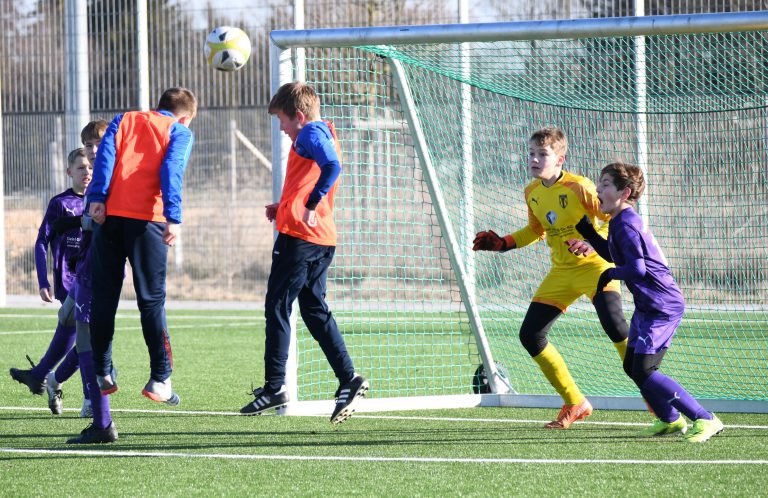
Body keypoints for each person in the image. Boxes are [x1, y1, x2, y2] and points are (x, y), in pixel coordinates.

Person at [472, 126, 629, 429]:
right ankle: (574, 402)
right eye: (531, 153)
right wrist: (503, 243)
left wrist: (591, 242)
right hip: (561, 272)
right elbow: (536, 230)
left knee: (615, 325)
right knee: (530, 335)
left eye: (542, 154)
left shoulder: (580, 186)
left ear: (560, 158)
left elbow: (613, 217)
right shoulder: (531, 192)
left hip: (595, 266)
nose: (534, 159)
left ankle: (651, 391)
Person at [239, 81, 368, 424]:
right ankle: (349, 379)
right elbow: (312, 176)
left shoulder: (309, 132)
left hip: (300, 238)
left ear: (298, 115)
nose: (281, 129)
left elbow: (332, 166)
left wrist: (309, 204)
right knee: (314, 310)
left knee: (278, 305)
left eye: (282, 120)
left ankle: (275, 386)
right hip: (321, 238)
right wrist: (283, 205)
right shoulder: (320, 131)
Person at [571, 162, 723, 442]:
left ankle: (705, 418)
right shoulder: (619, 221)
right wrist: (590, 234)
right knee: (632, 367)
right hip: (648, 305)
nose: (597, 189)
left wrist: (610, 273)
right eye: (599, 183)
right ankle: (670, 420)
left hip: (662, 306)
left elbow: (637, 269)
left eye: (605, 184)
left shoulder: (627, 224)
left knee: (644, 369)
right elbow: (617, 255)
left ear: (625, 192)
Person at [86, 87, 197, 406]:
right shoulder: (178, 131)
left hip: (109, 218)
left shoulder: (124, 119)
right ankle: (161, 378)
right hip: (148, 219)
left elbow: (105, 159)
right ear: (186, 117)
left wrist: (96, 199)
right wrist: (173, 217)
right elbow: (171, 171)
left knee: (104, 296)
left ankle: (103, 370)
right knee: (151, 300)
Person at [9, 147, 93, 417]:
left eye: (90, 167)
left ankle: (44, 377)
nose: (87, 172)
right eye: (81, 168)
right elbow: (41, 241)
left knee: (81, 339)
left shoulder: (100, 200)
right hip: (69, 280)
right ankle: (86, 399)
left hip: (92, 277)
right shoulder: (60, 203)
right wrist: (43, 280)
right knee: (85, 338)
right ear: (69, 172)